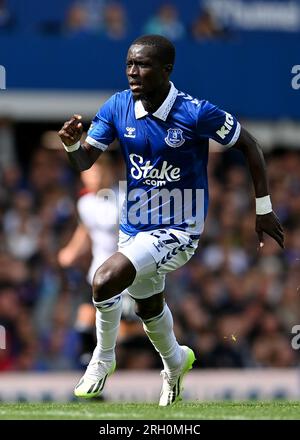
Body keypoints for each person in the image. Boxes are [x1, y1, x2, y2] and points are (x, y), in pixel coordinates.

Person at [58, 34, 284, 406]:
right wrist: (70, 145)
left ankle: (102, 359)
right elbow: (85, 161)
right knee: (148, 307)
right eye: (130, 63)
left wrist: (263, 208)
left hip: (180, 230)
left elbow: (250, 145)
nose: (133, 71)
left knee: (104, 280)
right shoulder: (117, 106)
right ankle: (176, 362)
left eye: (143, 64)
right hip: (133, 229)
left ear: (167, 70)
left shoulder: (195, 112)